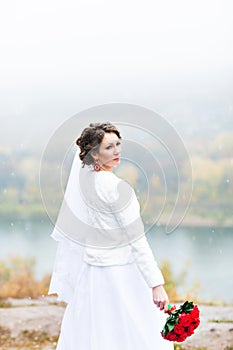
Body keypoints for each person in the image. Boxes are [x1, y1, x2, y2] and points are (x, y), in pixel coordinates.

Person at [48, 122, 173, 349]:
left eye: (118, 144)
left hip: (92, 274)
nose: (117, 151)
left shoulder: (84, 182)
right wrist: (156, 283)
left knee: (95, 334)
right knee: (131, 334)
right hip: (121, 274)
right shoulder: (118, 188)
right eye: (108, 147)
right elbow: (136, 240)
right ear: (94, 154)